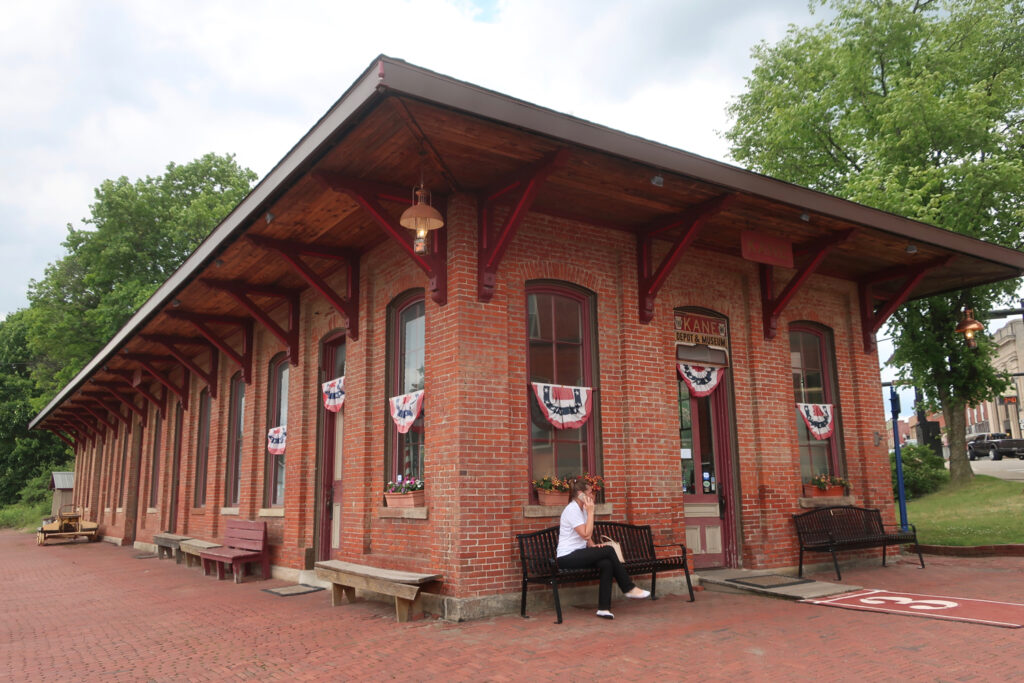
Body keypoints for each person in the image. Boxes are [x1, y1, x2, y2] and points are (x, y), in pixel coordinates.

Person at [555, 476, 650, 619]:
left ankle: (603, 608)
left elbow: (586, 537)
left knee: (606, 563)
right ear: (580, 493)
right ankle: (628, 588)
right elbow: (586, 534)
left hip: (579, 553)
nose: (592, 495)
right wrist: (592, 512)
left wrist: (594, 547)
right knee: (609, 550)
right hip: (566, 557)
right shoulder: (572, 509)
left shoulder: (581, 509)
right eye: (590, 492)